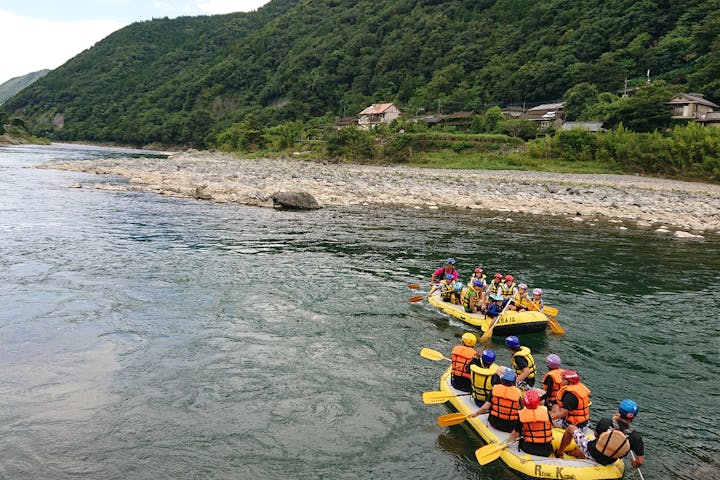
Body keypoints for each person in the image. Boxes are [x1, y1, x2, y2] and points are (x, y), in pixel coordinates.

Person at [556, 399, 645, 470]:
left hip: (591, 451)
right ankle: (579, 454)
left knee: (571, 428)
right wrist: (634, 464)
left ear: (620, 411)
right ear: (633, 416)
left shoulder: (605, 421)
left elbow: (595, 435)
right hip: (609, 461)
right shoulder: (635, 437)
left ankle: (559, 452)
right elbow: (640, 461)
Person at [507, 390, 554, 457]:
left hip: (529, 448)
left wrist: (508, 443)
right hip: (546, 450)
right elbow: (551, 426)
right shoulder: (545, 411)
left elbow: (514, 434)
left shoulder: (522, 414)